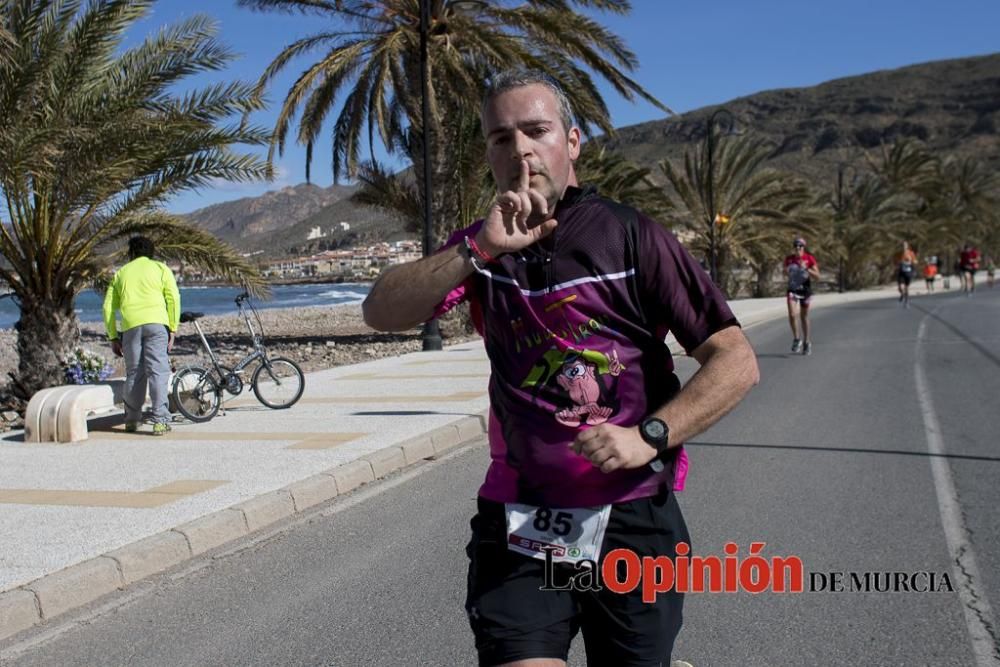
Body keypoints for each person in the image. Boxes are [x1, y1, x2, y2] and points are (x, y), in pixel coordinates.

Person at [362, 70, 759, 667]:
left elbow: (735, 360)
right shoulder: (480, 249)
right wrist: (478, 250)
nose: (519, 148)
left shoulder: (632, 236)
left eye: (535, 130)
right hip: (522, 514)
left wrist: (647, 437)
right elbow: (380, 310)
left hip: (632, 512)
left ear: (571, 142)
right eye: (500, 138)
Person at [103, 236, 180, 435]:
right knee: (158, 372)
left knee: (134, 374)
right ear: (151, 252)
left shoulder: (121, 273)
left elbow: (108, 307)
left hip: (131, 326)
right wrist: (172, 328)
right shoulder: (160, 268)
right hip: (157, 324)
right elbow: (173, 298)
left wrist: (113, 336)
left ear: (131, 253)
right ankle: (160, 421)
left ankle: (131, 420)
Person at [783, 237, 820, 355]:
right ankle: (796, 338)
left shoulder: (809, 259)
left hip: (805, 291)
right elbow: (784, 272)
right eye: (796, 246)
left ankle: (807, 342)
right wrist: (786, 271)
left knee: (804, 317)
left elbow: (818, 276)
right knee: (792, 314)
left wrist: (806, 268)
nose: (798, 248)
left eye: (800, 246)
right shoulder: (789, 259)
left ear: (804, 247)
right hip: (793, 290)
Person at [894, 241, 918, 307]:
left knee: (906, 287)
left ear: (907, 246)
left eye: (905, 245)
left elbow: (915, 261)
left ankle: (906, 302)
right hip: (901, 271)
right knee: (900, 287)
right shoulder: (898, 253)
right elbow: (895, 261)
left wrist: (913, 262)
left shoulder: (911, 253)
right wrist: (899, 263)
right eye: (902, 245)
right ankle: (902, 294)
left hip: (908, 272)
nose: (903, 247)